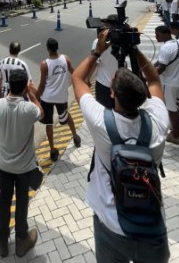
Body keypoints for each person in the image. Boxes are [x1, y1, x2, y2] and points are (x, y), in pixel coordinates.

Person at [72, 30, 170, 263]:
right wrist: (134, 49)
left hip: (110, 225)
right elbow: (155, 80)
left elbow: (77, 79)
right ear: (143, 96)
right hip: (151, 226)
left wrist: (98, 50)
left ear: (112, 92)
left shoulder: (101, 122)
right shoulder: (158, 120)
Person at [0, 69, 43, 258]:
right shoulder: (29, 109)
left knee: (4, 201)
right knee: (22, 201)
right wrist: (31, 93)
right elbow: (42, 112)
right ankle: (22, 239)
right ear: (24, 87)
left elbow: (4, 107)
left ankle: (2, 243)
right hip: (23, 168)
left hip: (4, 165)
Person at [37, 38, 81, 161]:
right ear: (57, 48)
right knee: (67, 116)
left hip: (47, 98)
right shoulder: (65, 59)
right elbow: (74, 72)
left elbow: (42, 84)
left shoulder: (45, 64)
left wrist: (36, 97)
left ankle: (52, 150)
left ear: (48, 48)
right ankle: (75, 136)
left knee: (49, 123)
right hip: (61, 97)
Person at [154, 25, 179, 145]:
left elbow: (162, 68)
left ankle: (176, 135)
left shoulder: (166, 48)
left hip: (169, 83)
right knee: (174, 107)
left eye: (157, 35)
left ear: (165, 34)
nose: (156, 37)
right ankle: (177, 130)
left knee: (171, 109)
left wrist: (148, 78)